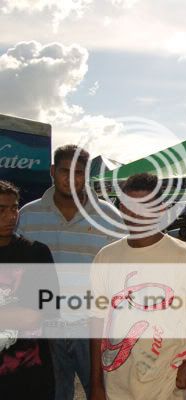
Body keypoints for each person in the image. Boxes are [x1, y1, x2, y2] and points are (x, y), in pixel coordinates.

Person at [90, 173, 186, 400]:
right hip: (118, 385)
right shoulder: (106, 257)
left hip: (168, 384)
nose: (136, 214)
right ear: (121, 209)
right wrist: (95, 383)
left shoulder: (185, 257)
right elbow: (96, 321)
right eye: (130, 206)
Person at [17, 145, 122, 400]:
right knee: (53, 394)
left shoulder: (109, 217)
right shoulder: (28, 215)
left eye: (79, 173)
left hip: (93, 328)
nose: (72, 179)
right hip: (46, 329)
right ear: (53, 171)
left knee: (102, 393)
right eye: (65, 171)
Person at [0, 180, 59, 399]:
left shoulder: (36, 254)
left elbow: (46, 311)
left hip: (31, 378)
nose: (11, 216)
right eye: (1, 210)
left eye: (14, 208)